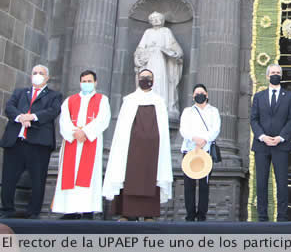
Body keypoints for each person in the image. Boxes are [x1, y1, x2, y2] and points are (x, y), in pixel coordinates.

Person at [103, 69, 173, 221]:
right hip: (130, 147)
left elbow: (162, 128)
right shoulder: (129, 101)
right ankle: (127, 213)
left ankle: (149, 214)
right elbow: (122, 128)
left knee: (151, 177)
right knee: (129, 177)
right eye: (142, 77)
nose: (145, 80)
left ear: (153, 81)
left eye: (148, 77)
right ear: (137, 79)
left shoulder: (159, 102)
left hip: (153, 148)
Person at [0, 65, 62, 218]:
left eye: (41, 73)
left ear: (47, 77)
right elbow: (9, 107)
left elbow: (52, 111)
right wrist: (21, 117)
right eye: (35, 73)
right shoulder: (19, 92)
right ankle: (7, 209)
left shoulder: (54, 96)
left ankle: (33, 212)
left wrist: (32, 117)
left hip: (38, 144)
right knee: (8, 178)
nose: (37, 75)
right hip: (16, 142)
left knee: (38, 180)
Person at [52, 70, 111, 219]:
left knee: (88, 176)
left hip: (90, 141)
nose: (86, 84)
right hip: (72, 142)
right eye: (84, 81)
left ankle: (87, 210)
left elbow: (103, 119)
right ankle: (70, 210)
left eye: (89, 81)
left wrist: (85, 132)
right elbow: (64, 120)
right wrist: (74, 132)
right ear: (80, 83)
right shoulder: (70, 100)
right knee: (69, 175)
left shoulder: (102, 99)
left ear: (95, 83)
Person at [250, 64, 291, 221]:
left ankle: (282, 217)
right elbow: (253, 119)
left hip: (281, 145)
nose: (275, 75)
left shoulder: (289, 96)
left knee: (282, 183)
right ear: (267, 76)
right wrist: (262, 136)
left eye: (278, 72)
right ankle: (262, 217)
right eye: (273, 73)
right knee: (261, 182)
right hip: (262, 145)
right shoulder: (259, 96)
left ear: (281, 76)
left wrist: (280, 137)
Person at [179, 84, 221, 221]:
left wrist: (204, 140)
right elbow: (183, 129)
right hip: (189, 150)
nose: (199, 95)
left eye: (202, 92)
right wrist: (194, 139)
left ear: (207, 95)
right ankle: (190, 214)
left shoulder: (213, 111)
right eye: (196, 93)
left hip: (206, 150)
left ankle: (202, 214)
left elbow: (216, 129)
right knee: (189, 184)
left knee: (204, 184)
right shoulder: (187, 111)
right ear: (193, 96)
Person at [134, 11, 183, 119]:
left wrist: (171, 52)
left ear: (162, 20)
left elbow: (175, 48)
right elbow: (140, 49)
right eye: (153, 18)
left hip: (161, 63)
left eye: (157, 18)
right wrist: (139, 57)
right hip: (149, 63)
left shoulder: (166, 31)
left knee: (160, 81)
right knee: (148, 80)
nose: (155, 20)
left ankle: (163, 105)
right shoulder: (147, 32)